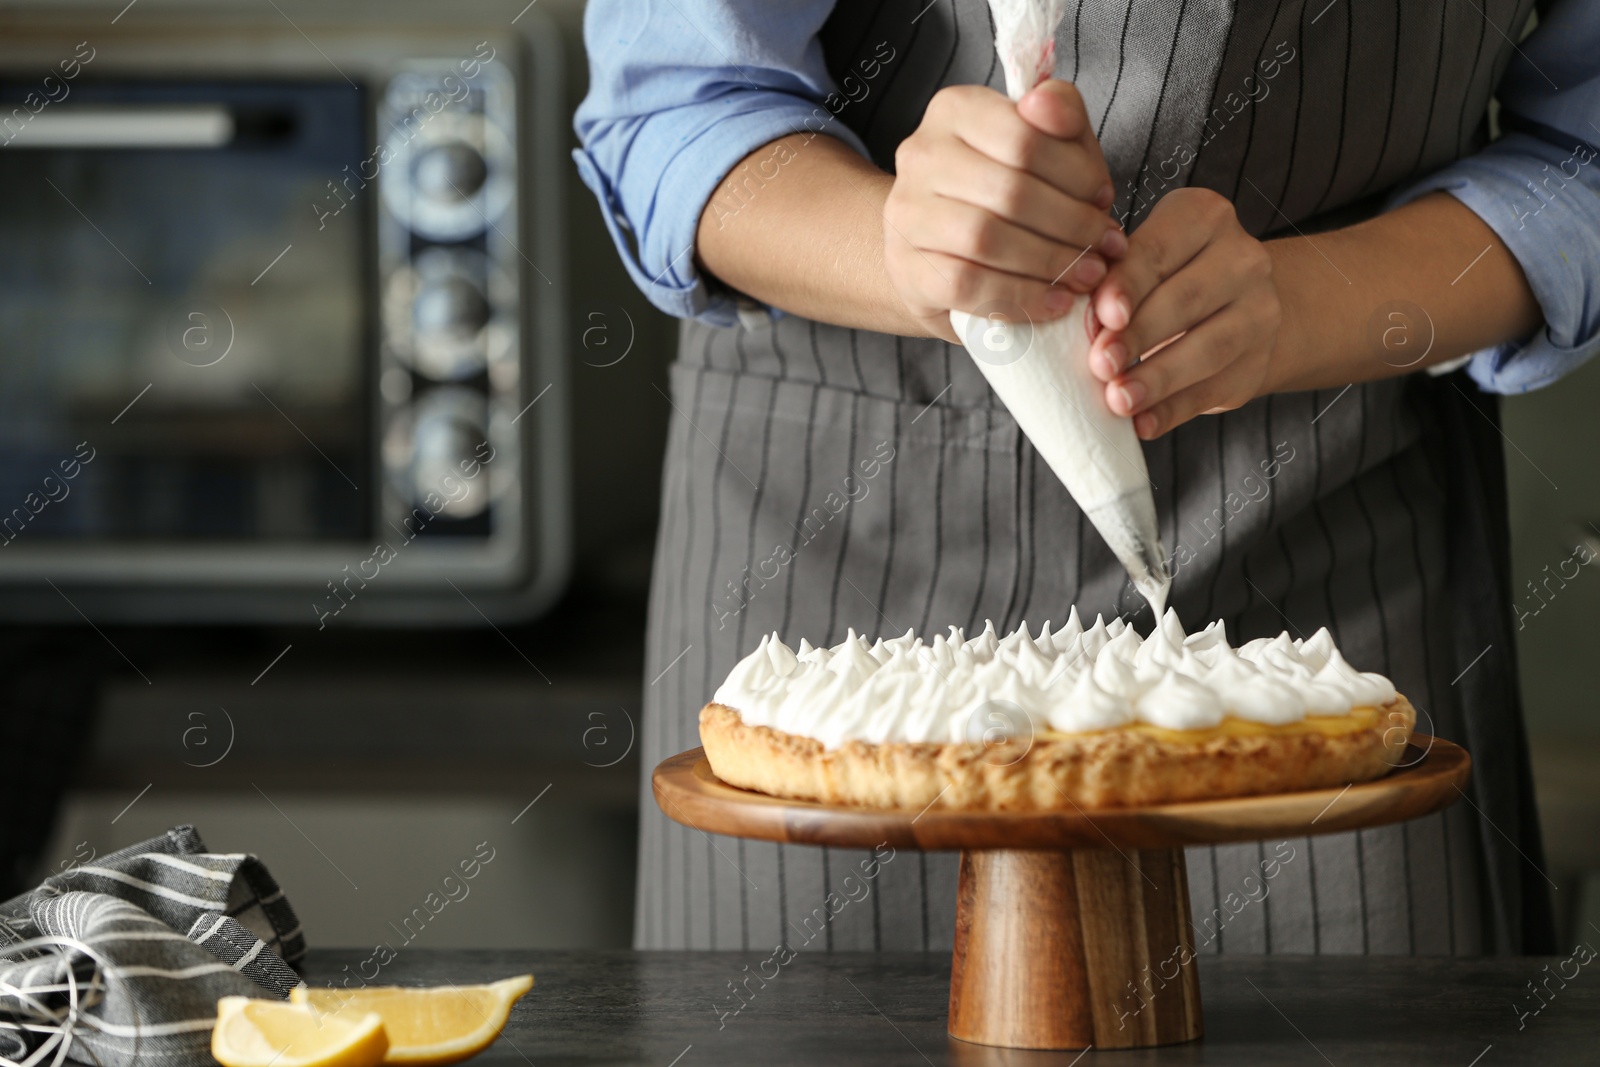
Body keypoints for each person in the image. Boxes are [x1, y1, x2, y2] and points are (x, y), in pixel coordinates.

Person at [575, 0, 1599, 955]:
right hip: (836, 559)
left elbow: (1581, 153)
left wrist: (1301, 306)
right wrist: (908, 248)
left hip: (1333, 560)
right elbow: (675, 101)